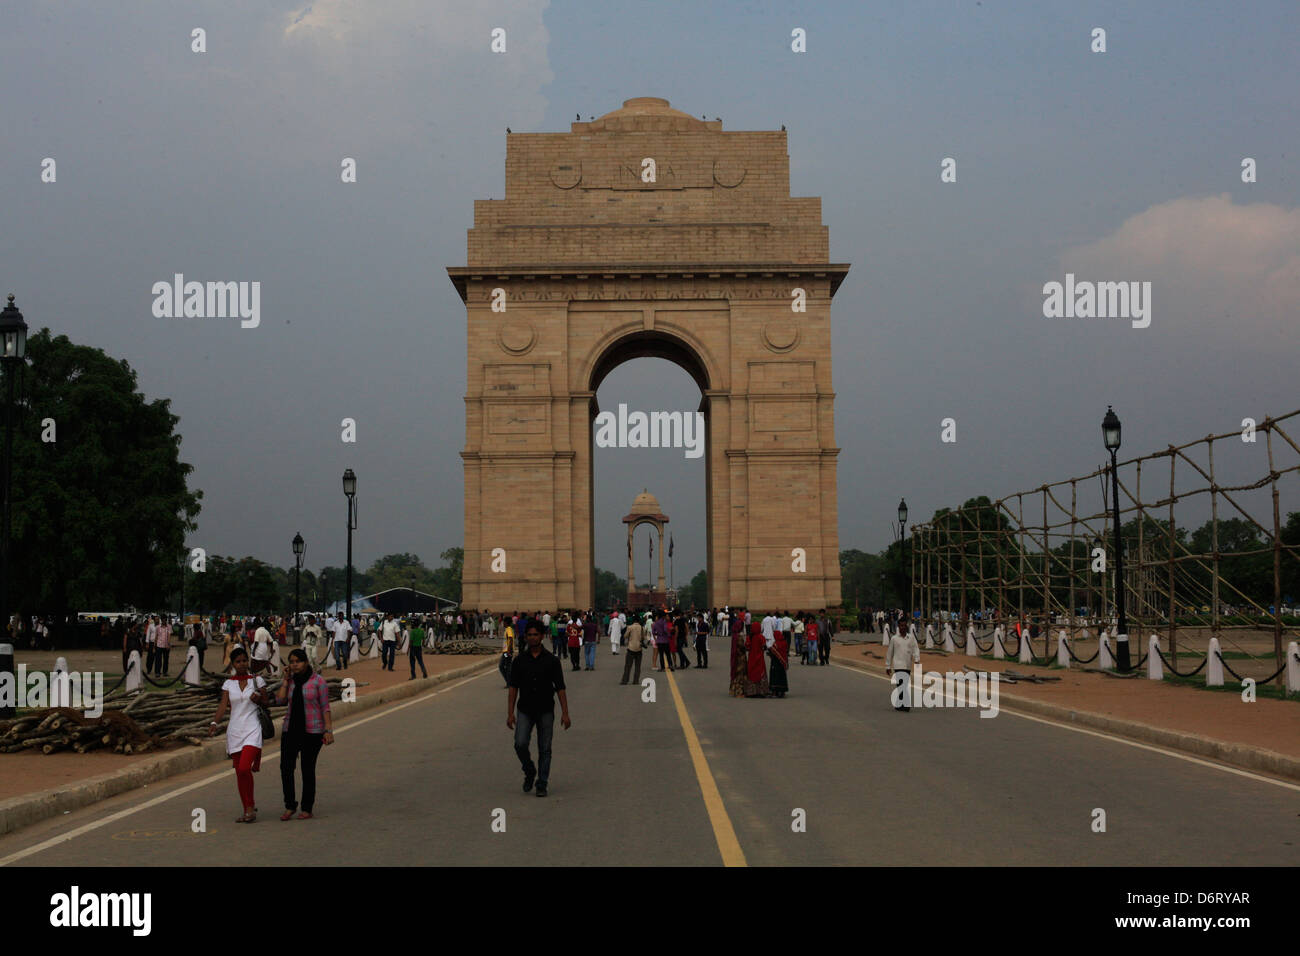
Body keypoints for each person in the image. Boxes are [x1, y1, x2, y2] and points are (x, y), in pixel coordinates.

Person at [507, 619, 570, 798]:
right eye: (530, 635)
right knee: (520, 744)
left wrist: (565, 713)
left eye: (536, 634)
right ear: (525, 637)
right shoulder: (519, 661)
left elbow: (560, 688)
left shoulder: (552, 661)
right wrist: (510, 713)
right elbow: (513, 688)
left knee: (545, 748)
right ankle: (529, 770)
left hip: (545, 709)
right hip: (525, 709)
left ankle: (542, 783)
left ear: (542, 636)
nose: (533, 638)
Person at [272, 648, 333, 820]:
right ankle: (290, 805)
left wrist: (328, 730)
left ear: (305, 662)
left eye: (297, 661)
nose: (294, 664)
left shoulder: (318, 681)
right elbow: (280, 700)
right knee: (286, 768)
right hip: (290, 729)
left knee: (307, 769)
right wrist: (285, 680)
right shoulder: (290, 681)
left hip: (312, 731)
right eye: (291, 661)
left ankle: (307, 807)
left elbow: (325, 707)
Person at [208, 646, 268, 823]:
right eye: (238, 661)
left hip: (252, 729)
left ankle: (250, 806)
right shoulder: (229, 684)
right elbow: (223, 706)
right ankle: (248, 808)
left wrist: (259, 699)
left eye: (244, 660)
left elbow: (266, 702)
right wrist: (214, 722)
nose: (242, 664)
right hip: (234, 731)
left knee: (243, 767)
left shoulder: (257, 681)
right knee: (240, 773)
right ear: (233, 664)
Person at [886, 620, 920, 711]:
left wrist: (916, 659)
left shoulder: (911, 638)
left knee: (903, 685)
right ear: (898, 627)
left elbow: (915, 649)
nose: (903, 627)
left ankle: (899, 704)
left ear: (907, 627)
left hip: (907, 665)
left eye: (904, 625)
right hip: (898, 665)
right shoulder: (894, 639)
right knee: (901, 684)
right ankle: (906, 704)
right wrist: (888, 666)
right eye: (901, 626)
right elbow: (890, 653)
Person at [745, 615, 769, 697]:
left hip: (751, 658)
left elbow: (747, 647)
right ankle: (761, 692)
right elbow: (764, 647)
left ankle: (751, 692)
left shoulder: (749, 637)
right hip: (760, 659)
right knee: (760, 673)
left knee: (752, 673)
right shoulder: (761, 637)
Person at [620, 615, 646, 685]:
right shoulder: (642, 628)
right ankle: (636, 680)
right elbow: (644, 637)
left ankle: (625, 680)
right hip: (639, 648)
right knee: (637, 666)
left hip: (631, 648)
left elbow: (625, 636)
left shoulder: (630, 627)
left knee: (628, 666)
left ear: (633, 620)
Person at [729, 610, 747, 696]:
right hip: (740, 659)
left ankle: (733, 690)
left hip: (735, 658)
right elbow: (743, 648)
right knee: (740, 675)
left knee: (735, 674)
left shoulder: (735, 636)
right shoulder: (739, 637)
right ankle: (739, 691)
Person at [768, 625, 789, 698]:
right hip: (782, 663)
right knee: (782, 677)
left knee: (775, 677)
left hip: (775, 664)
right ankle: (782, 692)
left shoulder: (775, 644)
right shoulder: (784, 643)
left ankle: (774, 692)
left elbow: (772, 652)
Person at [499, 616, 517, 686]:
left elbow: (510, 638)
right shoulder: (507, 629)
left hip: (507, 651)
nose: (503, 623)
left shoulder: (509, 629)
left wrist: (509, 650)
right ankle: (509, 682)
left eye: (504, 622)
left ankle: (509, 682)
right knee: (507, 666)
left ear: (506, 622)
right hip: (506, 651)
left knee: (503, 666)